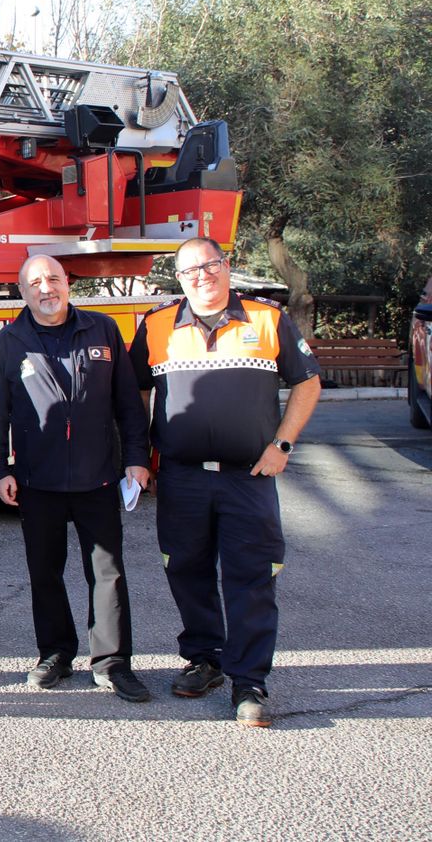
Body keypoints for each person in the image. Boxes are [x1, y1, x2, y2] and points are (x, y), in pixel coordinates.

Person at [131, 236, 321, 727]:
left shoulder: (267, 318)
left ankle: (249, 681)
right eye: (191, 270)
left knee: (251, 578)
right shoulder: (156, 325)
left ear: (226, 264)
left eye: (210, 265)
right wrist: (138, 456)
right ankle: (205, 660)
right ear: (179, 278)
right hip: (181, 478)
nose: (202, 276)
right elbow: (135, 394)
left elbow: (307, 381)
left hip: (248, 477)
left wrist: (282, 445)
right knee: (186, 570)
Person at [0, 254, 153, 702]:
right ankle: (55, 654)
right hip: (37, 481)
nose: (47, 288)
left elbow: (128, 404)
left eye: (54, 278)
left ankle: (112, 663)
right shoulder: (9, 341)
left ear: (67, 283)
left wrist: (137, 458)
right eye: (36, 282)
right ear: (23, 292)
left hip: (99, 478)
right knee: (45, 573)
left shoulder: (102, 329)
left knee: (108, 574)